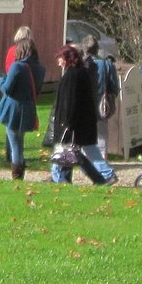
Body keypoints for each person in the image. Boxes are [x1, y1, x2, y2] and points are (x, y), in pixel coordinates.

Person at [49, 43, 100, 184]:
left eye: (60, 58)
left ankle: (63, 180)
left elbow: (71, 101)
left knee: (67, 153)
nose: (58, 62)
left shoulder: (73, 75)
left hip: (72, 124)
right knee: (72, 154)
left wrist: (67, 122)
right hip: (77, 122)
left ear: (67, 58)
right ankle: (98, 179)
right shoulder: (77, 72)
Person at [81, 33, 119, 184]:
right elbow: (114, 87)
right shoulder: (106, 64)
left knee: (86, 137)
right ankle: (102, 162)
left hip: (86, 104)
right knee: (102, 134)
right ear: (97, 49)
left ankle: (92, 164)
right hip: (102, 103)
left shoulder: (82, 64)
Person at [0, 48, 40, 180]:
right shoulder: (36, 68)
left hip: (14, 111)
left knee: (15, 144)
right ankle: (20, 171)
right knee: (19, 143)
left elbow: (7, 89)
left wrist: (0, 81)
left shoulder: (17, 67)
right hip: (28, 109)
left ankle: (17, 174)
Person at [3, 27, 45, 163]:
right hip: (29, 102)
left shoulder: (14, 57)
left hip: (14, 98)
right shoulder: (39, 67)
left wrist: (1, 81)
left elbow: (9, 78)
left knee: (13, 136)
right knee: (19, 138)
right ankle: (17, 161)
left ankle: (16, 167)